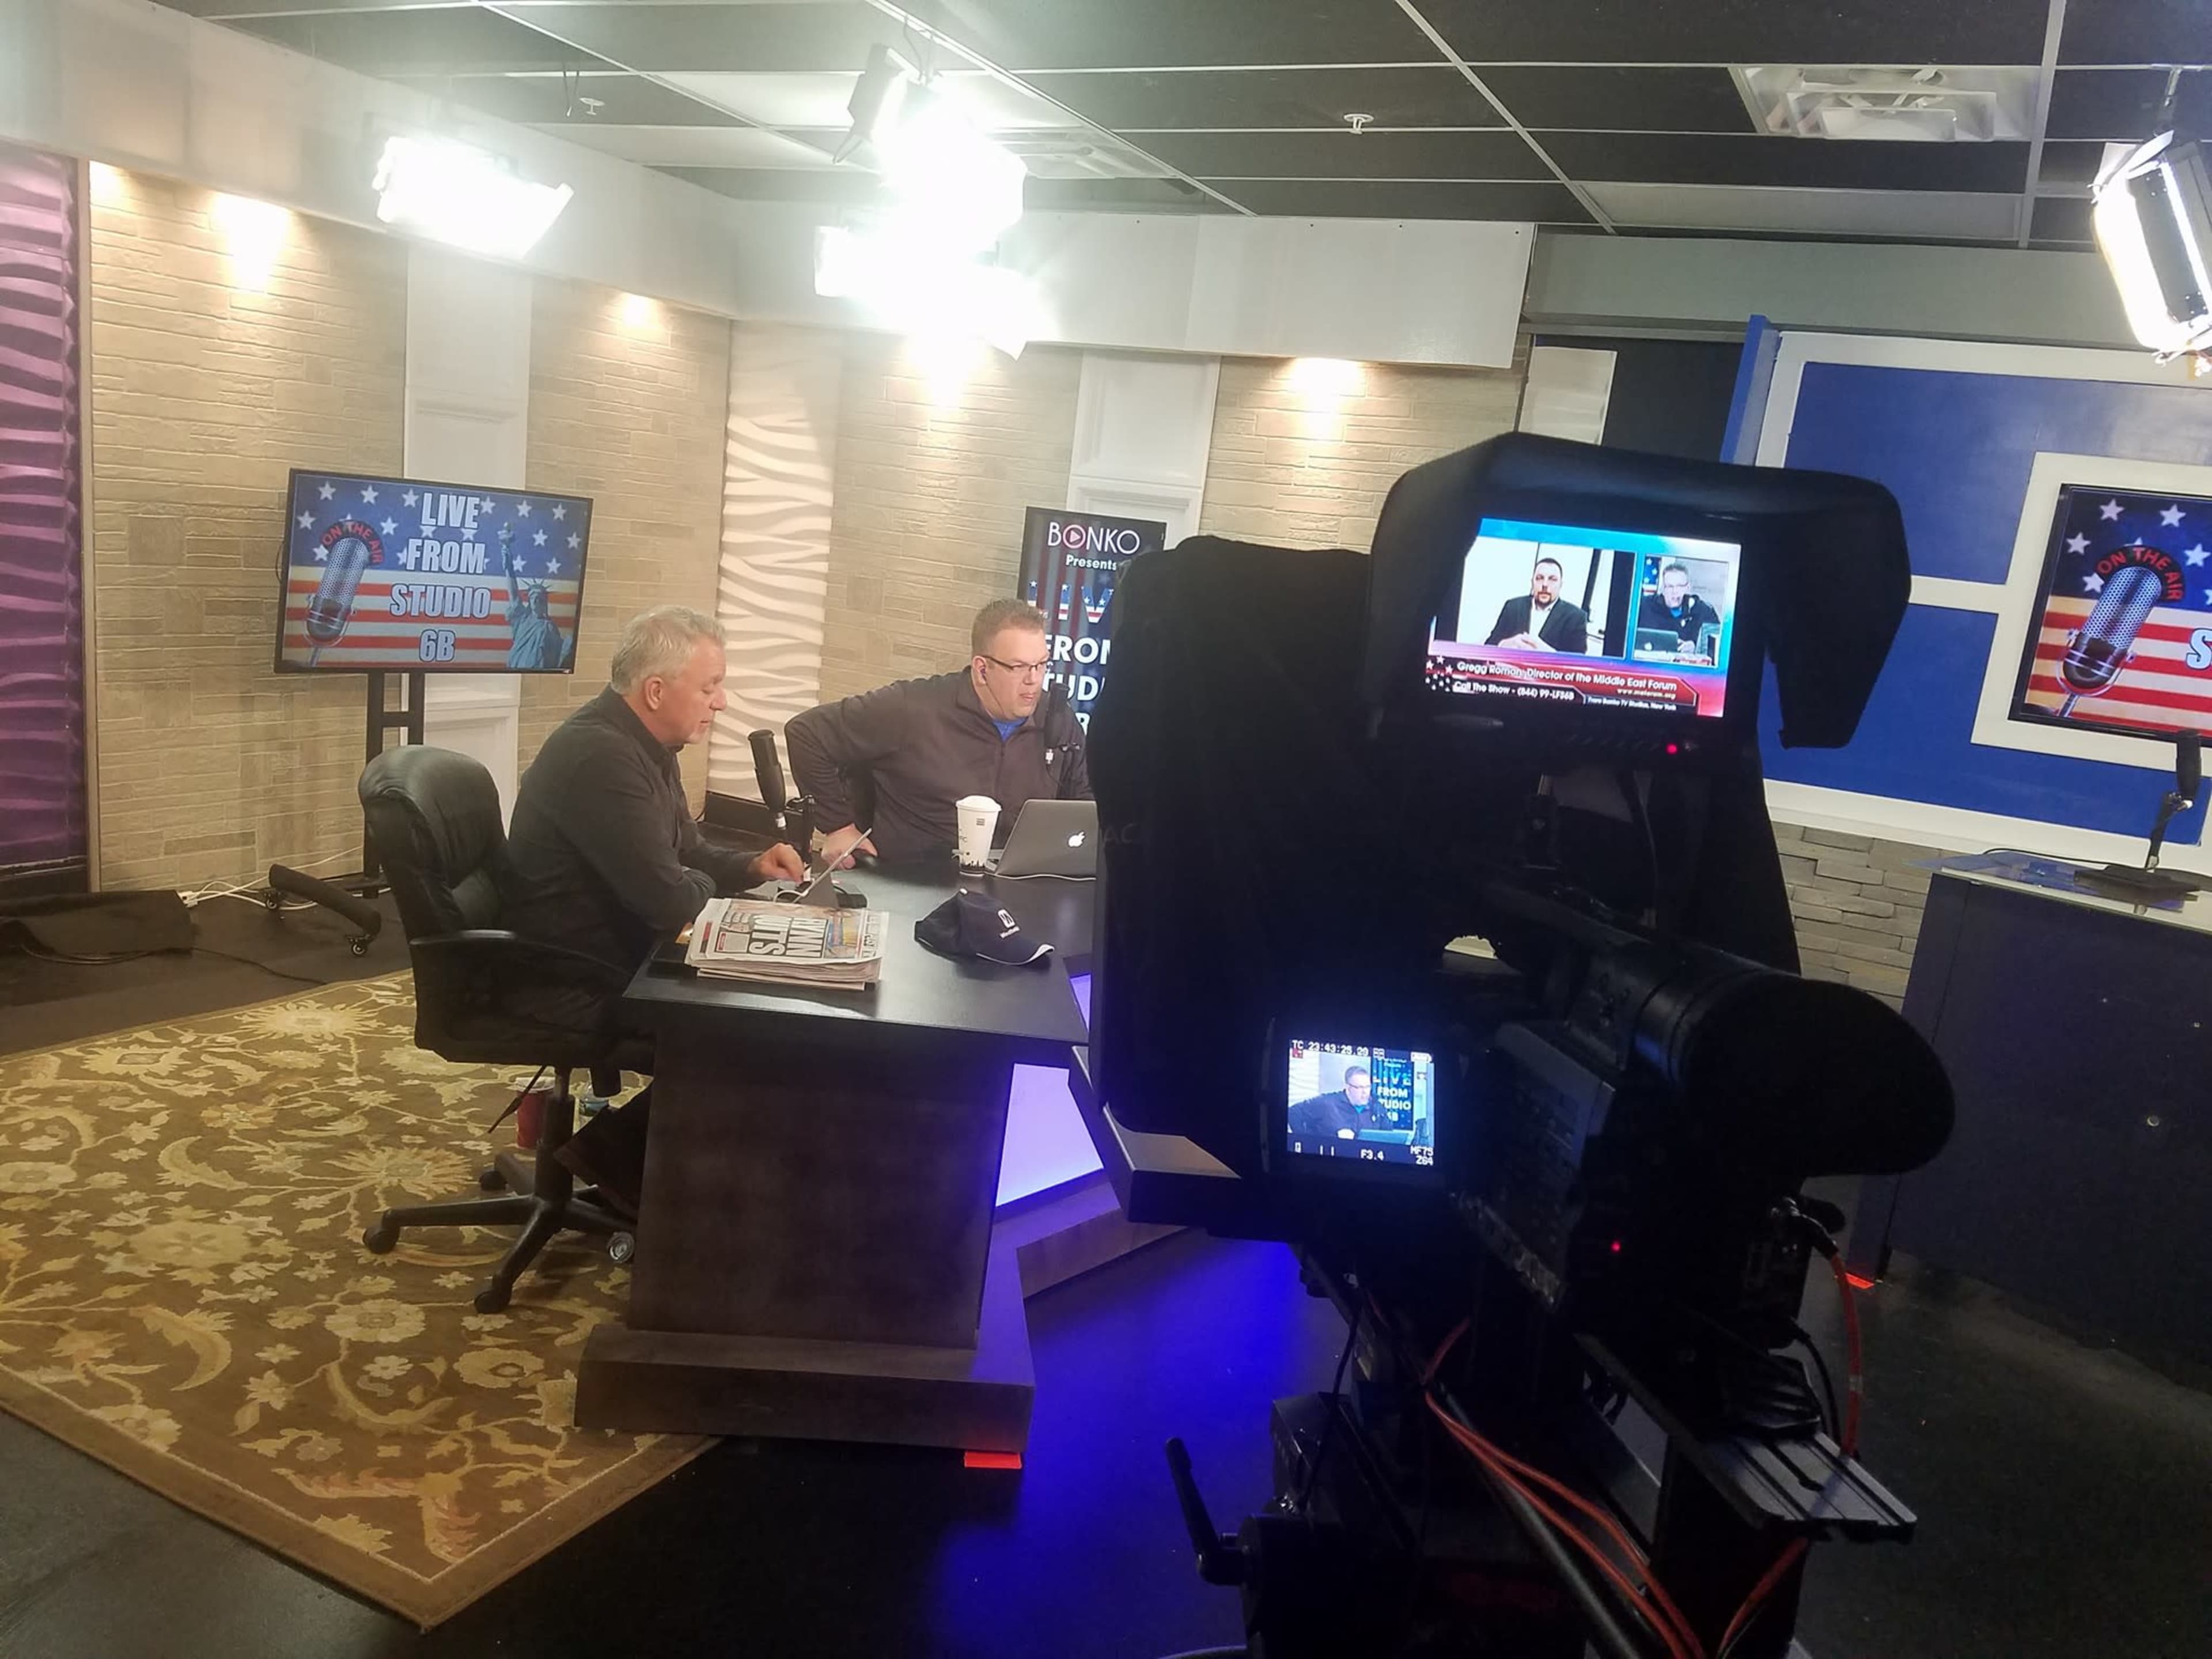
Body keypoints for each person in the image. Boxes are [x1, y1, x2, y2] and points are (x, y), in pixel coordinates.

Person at [501, 604, 805, 1209]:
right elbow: (668, 900)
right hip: (572, 973)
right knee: (753, 1028)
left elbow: (686, 853)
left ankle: (622, 1170)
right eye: (710, 688)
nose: (719, 704)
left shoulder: (647, 743)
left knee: (764, 1010)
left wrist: (751, 866)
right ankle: (632, 1186)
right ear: (657, 690)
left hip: (613, 950)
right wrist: (692, 881)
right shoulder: (601, 758)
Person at [785, 599, 1091, 866]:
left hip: (1016, 886)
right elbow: (806, 734)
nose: (1034, 680)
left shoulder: (1059, 720)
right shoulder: (912, 708)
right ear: (982, 670)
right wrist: (838, 827)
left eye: (1041, 665)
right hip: (912, 880)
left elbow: (1084, 806)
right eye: (1020, 667)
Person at [1485, 555, 1589, 654]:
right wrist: (1503, 644)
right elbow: (1488, 648)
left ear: (1561, 585)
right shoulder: (1513, 607)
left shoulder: (1576, 617)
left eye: (1552, 579)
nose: (1545, 585)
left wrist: (1549, 654)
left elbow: (1578, 665)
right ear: (1532, 582)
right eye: (1540, 578)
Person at [1637, 561, 1722, 657]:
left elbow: (1717, 649)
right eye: (1670, 587)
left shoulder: (1704, 611)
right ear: (1663, 589)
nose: (1675, 592)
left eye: (1680, 586)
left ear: (1688, 588)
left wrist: (1696, 648)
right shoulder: (1644, 606)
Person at [1288, 1066, 1378, 1141]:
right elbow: (1293, 1112)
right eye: (1360, 1087)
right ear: (1348, 1087)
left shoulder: (1377, 1108)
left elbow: (1387, 1135)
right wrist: (1307, 1141)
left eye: (1368, 1087)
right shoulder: (1327, 1103)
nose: (1365, 1092)